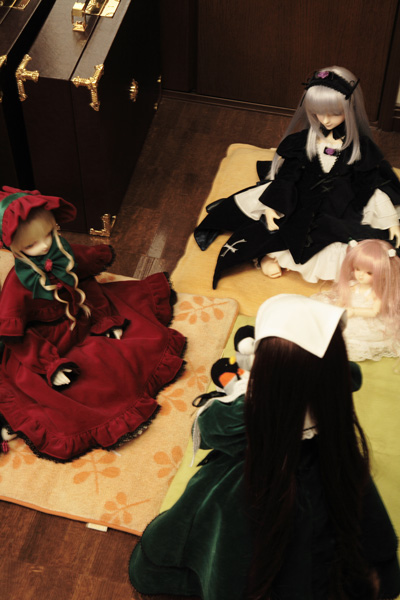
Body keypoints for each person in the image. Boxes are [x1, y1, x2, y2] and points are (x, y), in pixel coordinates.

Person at [129, 294, 400, 600]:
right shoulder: (334, 393)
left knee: (226, 546)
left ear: (266, 370)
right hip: (327, 463)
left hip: (251, 481)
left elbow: (210, 428)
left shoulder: (247, 415)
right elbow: (348, 374)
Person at [0, 186, 186, 461]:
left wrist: (105, 318)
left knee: (137, 344)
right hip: (47, 344)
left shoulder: (63, 252)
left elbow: (85, 281)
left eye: (49, 234)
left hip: (83, 315)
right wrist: (50, 364)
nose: (44, 246)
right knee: (85, 390)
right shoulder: (17, 286)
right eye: (30, 245)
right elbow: (19, 337)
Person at [194, 66, 400, 288]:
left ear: (350, 109)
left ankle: (276, 255)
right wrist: (272, 206)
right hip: (302, 195)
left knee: (357, 239)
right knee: (282, 229)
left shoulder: (361, 149)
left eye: (334, 113)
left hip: (341, 202)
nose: (326, 120)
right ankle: (267, 256)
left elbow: (370, 185)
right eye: (319, 113)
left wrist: (390, 221)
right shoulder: (303, 143)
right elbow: (288, 176)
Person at [313, 239, 400, 362]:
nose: (360, 275)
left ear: (383, 273)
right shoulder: (353, 286)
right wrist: (337, 308)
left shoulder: (377, 293)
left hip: (365, 319)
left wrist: (354, 311)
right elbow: (344, 298)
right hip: (347, 311)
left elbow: (374, 311)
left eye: (369, 273)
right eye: (357, 269)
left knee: (349, 335)